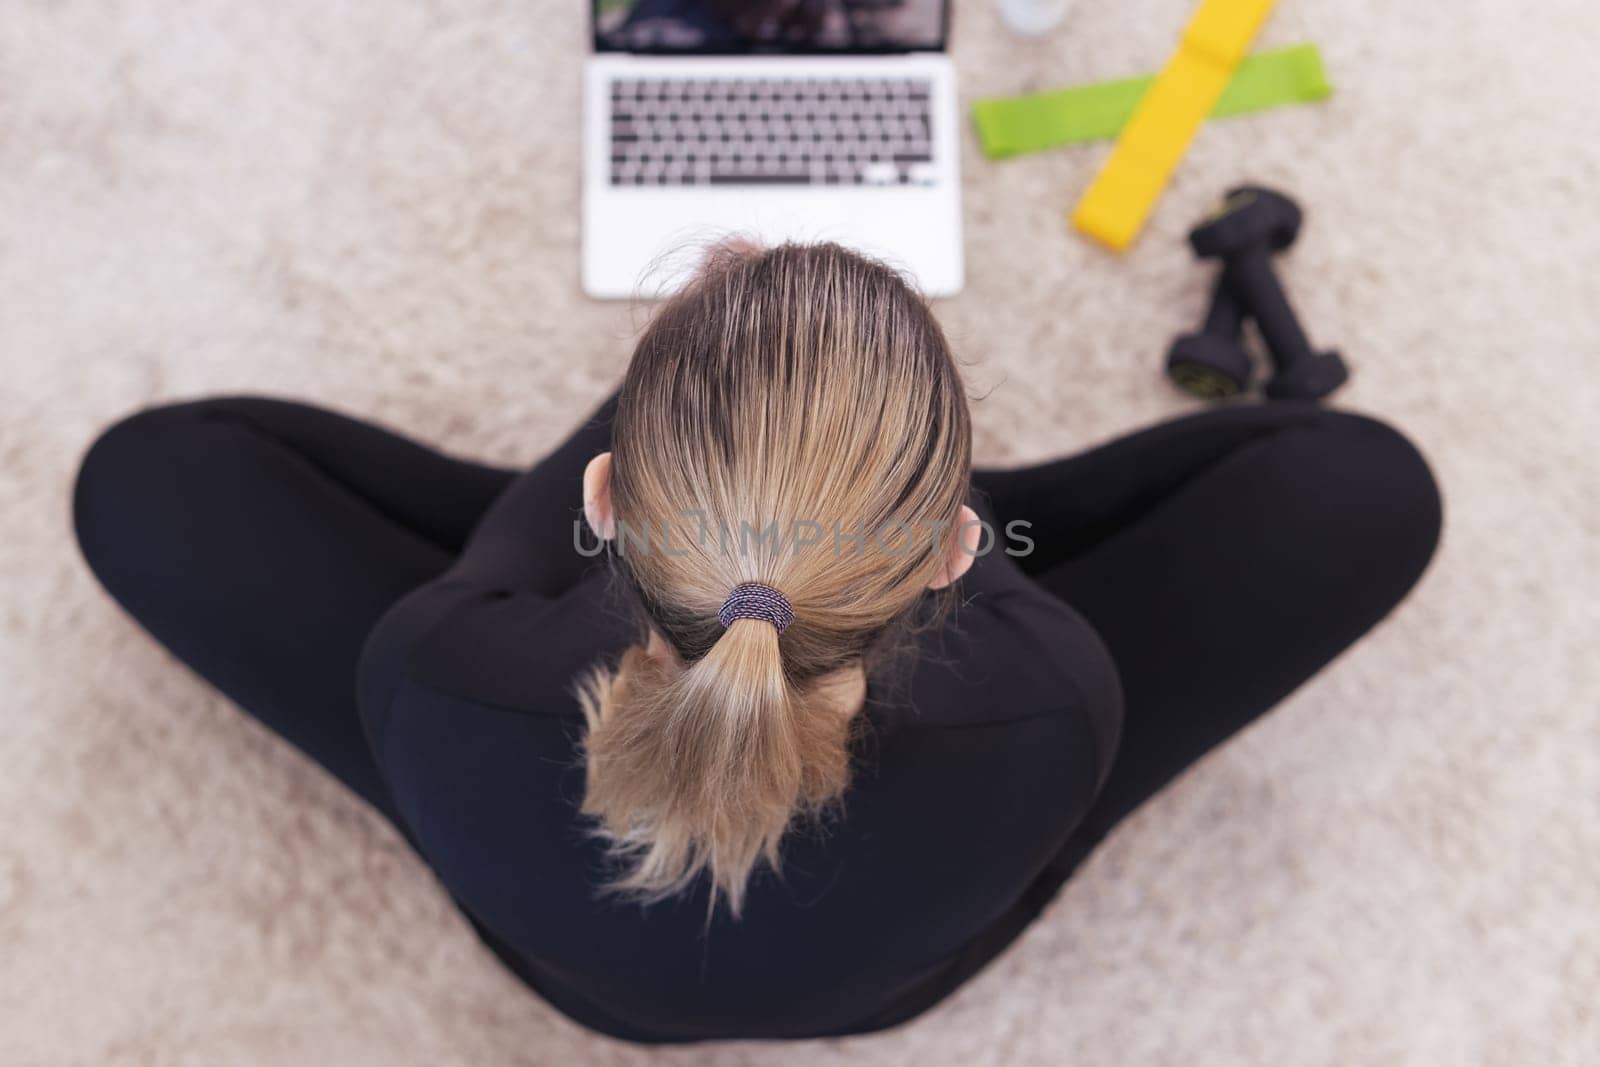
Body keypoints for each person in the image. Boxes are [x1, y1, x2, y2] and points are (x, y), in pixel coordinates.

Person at [72, 242, 1441, 1044]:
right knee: (1365, 492)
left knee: (146, 483)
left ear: (602, 504)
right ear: (958, 555)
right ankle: (817, 538)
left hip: (570, 958)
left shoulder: (434, 669)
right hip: (905, 950)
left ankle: (759, 531)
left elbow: (520, 538)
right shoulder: (1054, 696)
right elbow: (999, 552)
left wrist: (707, 467)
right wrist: (852, 515)